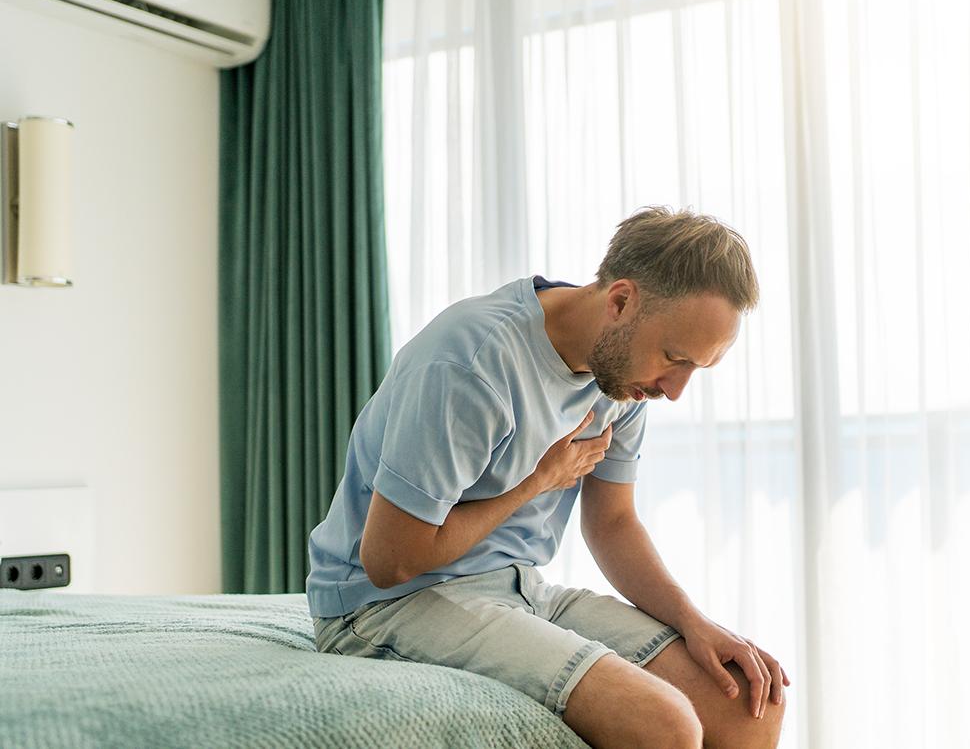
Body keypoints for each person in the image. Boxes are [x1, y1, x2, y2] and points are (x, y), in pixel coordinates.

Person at [307, 206, 790, 748]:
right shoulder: (471, 364)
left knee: (750, 705)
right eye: (673, 359)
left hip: (517, 586)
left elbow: (612, 522)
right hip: (386, 603)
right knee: (665, 725)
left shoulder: (626, 376)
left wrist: (693, 622)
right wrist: (537, 482)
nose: (674, 390)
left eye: (694, 369)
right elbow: (390, 560)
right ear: (621, 301)